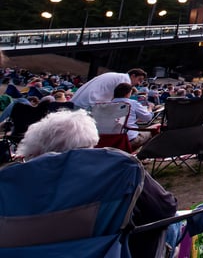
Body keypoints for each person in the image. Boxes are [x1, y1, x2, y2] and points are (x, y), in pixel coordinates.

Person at [16, 109, 177, 258]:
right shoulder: (118, 169)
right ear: (89, 145)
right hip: (110, 251)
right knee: (173, 220)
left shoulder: (12, 184)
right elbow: (165, 209)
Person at [70, 69, 147, 110]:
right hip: (88, 104)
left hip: (79, 102)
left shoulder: (117, 76)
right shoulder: (125, 79)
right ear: (133, 76)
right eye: (139, 79)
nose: (139, 83)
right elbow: (121, 101)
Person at [111, 82, 155, 150]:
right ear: (128, 93)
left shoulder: (105, 104)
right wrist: (150, 109)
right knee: (153, 131)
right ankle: (141, 155)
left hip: (107, 139)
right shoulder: (132, 103)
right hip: (127, 139)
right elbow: (147, 118)